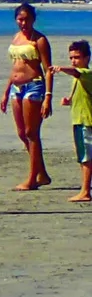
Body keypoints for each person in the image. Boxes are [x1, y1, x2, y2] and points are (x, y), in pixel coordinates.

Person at [1, 2, 56, 192]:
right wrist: (6, 89)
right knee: (22, 133)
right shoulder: (16, 38)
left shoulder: (39, 40)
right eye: (20, 19)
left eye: (26, 19)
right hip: (17, 88)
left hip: (34, 86)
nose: (23, 23)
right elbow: (15, 66)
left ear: (33, 19)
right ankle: (42, 173)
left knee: (32, 133)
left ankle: (33, 178)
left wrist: (48, 96)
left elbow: (48, 70)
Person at [61, 39, 92, 203]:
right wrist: (69, 100)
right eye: (71, 58)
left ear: (87, 58)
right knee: (83, 156)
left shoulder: (87, 73)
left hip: (87, 120)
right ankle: (85, 189)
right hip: (78, 119)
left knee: (87, 157)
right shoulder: (78, 76)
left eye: (77, 57)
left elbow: (76, 73)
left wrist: (60, 69)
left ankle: (86, 191)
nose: (74, 61)